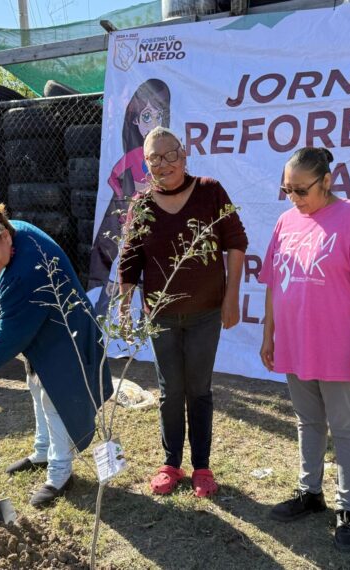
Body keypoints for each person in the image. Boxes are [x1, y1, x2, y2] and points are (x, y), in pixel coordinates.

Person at [258, 147, 350, 552]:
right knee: (307, 421)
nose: (294, 198)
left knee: (346, 428)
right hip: (296, 343)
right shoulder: (285, 221)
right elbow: (273, 282)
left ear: (327, 181)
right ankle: (310, 492)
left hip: (339, 347)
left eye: (302, 190)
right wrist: (269, 334)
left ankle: (349, 509)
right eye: (287, 190)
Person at [0, 204, 112, 508]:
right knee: (36, 390)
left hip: (65, 338)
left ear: (4, 236)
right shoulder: (14, 232)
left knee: (55, 401)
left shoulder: (26, 272)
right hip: (43, 336)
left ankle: (60, 474)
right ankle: (42, 451)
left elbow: (11, 336)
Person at [119, 126, 248, 498]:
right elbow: (130, 260)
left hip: (205, 313)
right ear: (146, 165)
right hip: (160, 317)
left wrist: (231, 297)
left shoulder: (210, 191)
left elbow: (236, 243)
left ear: (184, 154)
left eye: (170, 154)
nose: (165, 164)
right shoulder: (142, 204)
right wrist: (125, 309)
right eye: (154, 159)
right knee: (170, 391)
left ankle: (202, 467)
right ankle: (171, 463)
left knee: (199, 390)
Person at [89, 79, 171, 313]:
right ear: (135, 120)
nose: (153, 122)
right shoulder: (134, 155)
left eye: (158, 116)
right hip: (133, 221)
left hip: (156, 221)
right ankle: (108, 317)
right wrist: (123, 199)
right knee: (122, 267)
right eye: (146, 116)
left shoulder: (167, 154)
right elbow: (114, 177)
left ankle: (146, 319)